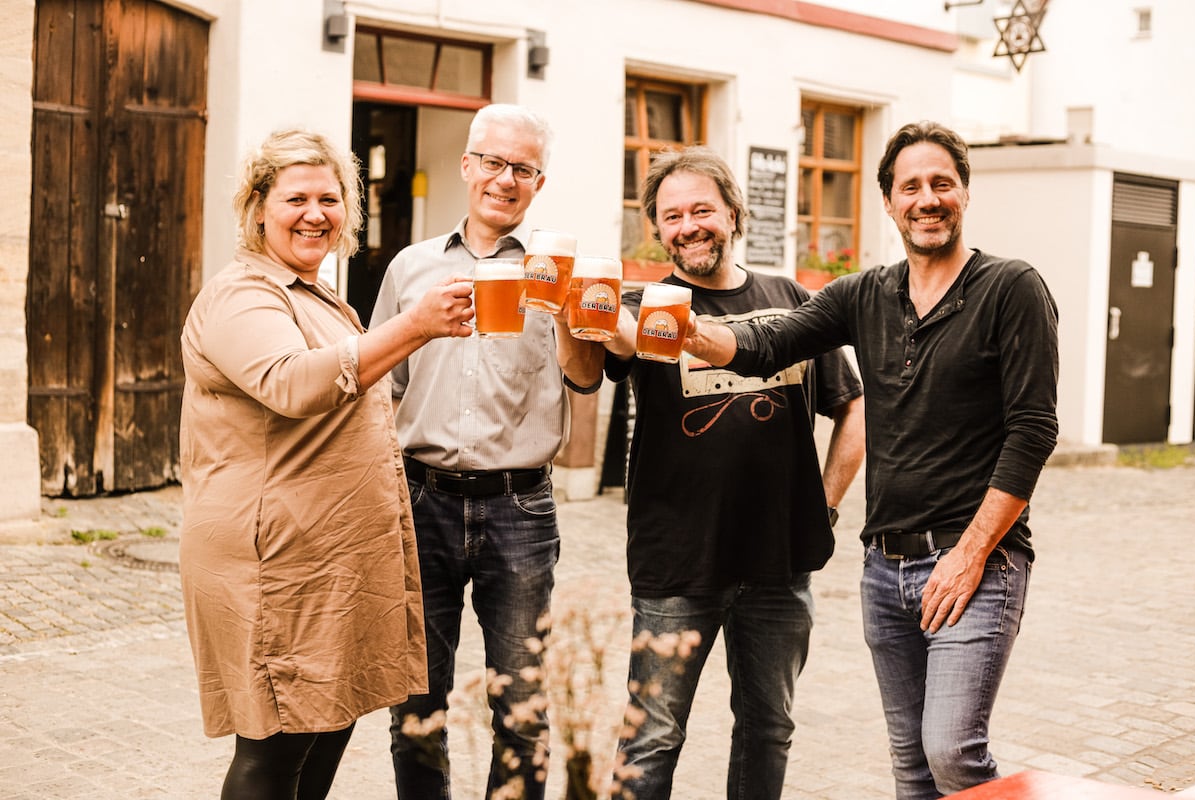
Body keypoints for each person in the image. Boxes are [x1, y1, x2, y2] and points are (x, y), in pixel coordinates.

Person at [683, 121, 1059, 799]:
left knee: (952, 752)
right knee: (911, 765)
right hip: (884, 570)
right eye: (910, 187)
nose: (927, 199)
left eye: (941, 183)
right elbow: (769, 344)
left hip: (975, 563)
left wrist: (971, 553)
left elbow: (1032, 431)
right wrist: (685, 332)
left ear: (965, 191)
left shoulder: (1011, 288)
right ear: (888, 202)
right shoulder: (863, 295)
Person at [179, 129, 476, 799]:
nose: (315, 214)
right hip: (273, 562)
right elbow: (292, 384)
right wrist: (415, 325)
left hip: (329, 555)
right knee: (276, 747)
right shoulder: (243, 294)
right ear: (258, 208)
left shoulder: (316, 293)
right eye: (296, 199)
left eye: (330, 199)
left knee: (326, 723)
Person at [601, 146, 866, 799]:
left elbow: (853, 406)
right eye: (672, 216)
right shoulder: (643, 306)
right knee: (651, 738)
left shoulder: (790, 299)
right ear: (657, 229)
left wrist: (826, 504)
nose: (688, 226)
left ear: (733, 213)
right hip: (676, 564)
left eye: (702, 210)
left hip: (779, 566)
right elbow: (592, 363)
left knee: (768, 730)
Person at [369, 104, 604, 800]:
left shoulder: (553, 270)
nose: (506, 179)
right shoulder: (410, 267)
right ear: (468, 166)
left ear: (539, 182)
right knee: (415, 707)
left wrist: (568, 312)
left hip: (519, 508)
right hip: (422, 501)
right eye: (494, 162)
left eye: (523, 169)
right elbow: (382, 386)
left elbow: (585, 379)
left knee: (523, 711)